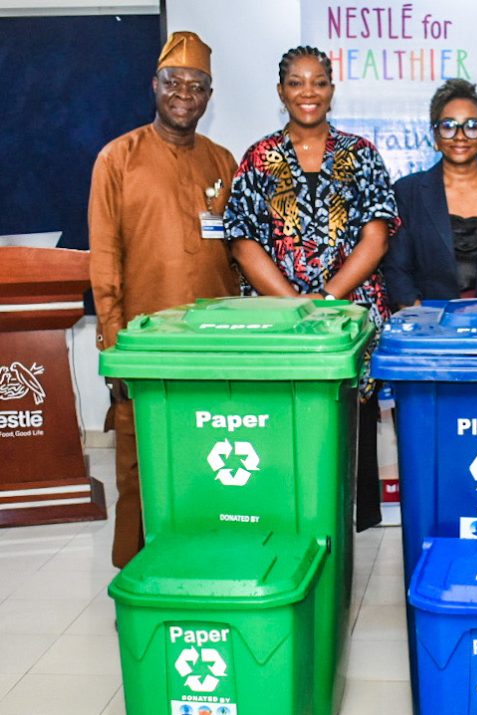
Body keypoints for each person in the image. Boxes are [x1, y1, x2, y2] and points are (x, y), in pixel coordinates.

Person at [224, 45, 399, 531]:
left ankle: (351, 526)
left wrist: (326, 301)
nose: (309, 92)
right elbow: (242, 242)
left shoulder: (361, 154)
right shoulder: (259, 158)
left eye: (319, 82)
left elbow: (376, 237)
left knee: (349, 426)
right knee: (284, 426)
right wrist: (296, 308)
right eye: (297, 82)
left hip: (350, 321)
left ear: (331, 90)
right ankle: (290, 521)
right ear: (281, 92)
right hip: (278, 325)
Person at [89, 31, 239, 568]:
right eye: (174, 82)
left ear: (208, 96)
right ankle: (136, 572)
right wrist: (115, 348)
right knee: (140, 462)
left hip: (214, 344)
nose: (184, 95)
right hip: (144, 345)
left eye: (197, 86)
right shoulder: (118, 158)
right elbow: (104, 259)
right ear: (155, 85)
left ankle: (207, 560)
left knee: (209, 454)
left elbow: (237, 255)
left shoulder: (223, 162)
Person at [380, 79, 477, 307]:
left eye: (472, 126)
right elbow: (397, 270)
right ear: (435, 136)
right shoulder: (407, 192)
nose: (460, 135)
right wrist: (421, 318)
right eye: (448, 126)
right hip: (426, 321)